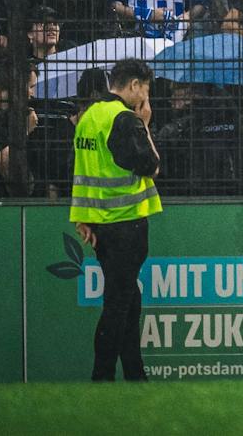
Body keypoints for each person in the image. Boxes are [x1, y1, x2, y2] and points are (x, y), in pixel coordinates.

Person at [70, 56, 162, 383]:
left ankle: (135, 375)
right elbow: (151, 166)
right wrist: (146, 124)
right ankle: (102, 376)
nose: (144, 100)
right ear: (134, 85)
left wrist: (83, 220)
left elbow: (83, 174)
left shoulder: (88, 117)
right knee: (118, 305)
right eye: (145, 92)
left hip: (100, 227)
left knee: (128, 300)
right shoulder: (124, 119)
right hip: (127, 225)